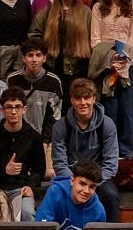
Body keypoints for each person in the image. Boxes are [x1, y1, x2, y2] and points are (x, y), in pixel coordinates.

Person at [50, 78, 120, 218]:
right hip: (70, 178)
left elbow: (111, 164)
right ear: (71, 100)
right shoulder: (60, 126)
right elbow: (59, 163)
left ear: (94, 98)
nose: (83, 103)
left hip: (99, 179)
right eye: (78, 98)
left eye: (87, 98)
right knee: (53, 193)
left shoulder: (107, 124)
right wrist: (76, 183)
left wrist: (91, 183)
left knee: (111, 195)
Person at [0, 87, 46, 220]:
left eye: (17, 107)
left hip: (20, 189)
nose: (13, 111)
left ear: (24, 109)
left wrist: (30, 186)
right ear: (2, 110)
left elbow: (39, 170)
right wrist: (4, 171)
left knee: (27, 213)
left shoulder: (33, 136)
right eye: (9, 107)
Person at [91, 0, 133, 149]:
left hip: (128, 64)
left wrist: (124, 60)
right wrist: (110, 59)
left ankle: (126, 149)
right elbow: (95, 39)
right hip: (106, 65)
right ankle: (110, 148)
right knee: (109, 107)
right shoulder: (98, 8)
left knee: (127, 109)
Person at [35, 161, 107, 230]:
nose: (86, 191)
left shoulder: (99, 211)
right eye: (82, 183)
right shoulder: (55, 192)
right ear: (72, 181)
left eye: (92, 187)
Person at [32, 0, 91, 83]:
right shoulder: (47, 11)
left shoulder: (86, 12)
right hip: (53, 67)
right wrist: (44, 54)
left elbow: (91, 39)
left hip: (79, 68)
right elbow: (34, 35)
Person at [7, 38, 65, 136]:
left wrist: (46, 138)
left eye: (38, 55)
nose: (34, 59)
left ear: (44, 58)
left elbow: (55, 114)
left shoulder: (53, 81)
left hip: (43, 138)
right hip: (17, 136)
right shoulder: (12, 79)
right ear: (23, 58)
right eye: (30, 55)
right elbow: (8, 109)